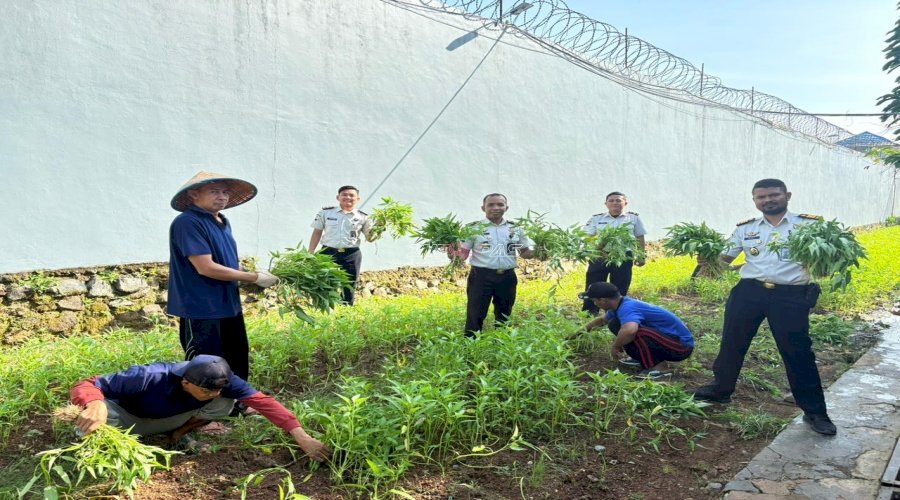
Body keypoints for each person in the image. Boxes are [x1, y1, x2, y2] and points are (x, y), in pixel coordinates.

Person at [690, 178, 836, 436]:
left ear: (787, 195)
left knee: (798, 351)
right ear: (755, 200)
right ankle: (721, 389)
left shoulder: (810, 226)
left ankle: (815, 411)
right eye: (762, 197)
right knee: (732, 343)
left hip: (790, 296)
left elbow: (827, 261)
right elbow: (725, 260)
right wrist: (707, 260)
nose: (768, 200)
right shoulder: (745, 229)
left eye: (774, 195)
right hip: (749, 293)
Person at [71, 355, 330, 459]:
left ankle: (177, 437)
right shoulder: (148, 376)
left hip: (171, 419)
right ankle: (111, 453)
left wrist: (302, 437)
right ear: (186, 381)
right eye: (206, 390)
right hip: (128, 420)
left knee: (228, 403)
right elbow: (88, 383)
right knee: (91, 419)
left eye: (217, 388)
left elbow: (264, 403)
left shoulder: (223, 383)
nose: (212, 394)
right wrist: (94, 403)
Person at [168, 171, 278, 414]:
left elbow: (227, 263)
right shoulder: (188, 222)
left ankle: (236, 405)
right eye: (214, 191)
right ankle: (202, 413)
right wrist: (252, 277)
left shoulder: (222, 222)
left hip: (228, 303)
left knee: (236, 355)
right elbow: (205, 267)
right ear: (194, 194)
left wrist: (250, 275)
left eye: (225, 192)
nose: (222, 197)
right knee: (205, 364)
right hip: (201, 306)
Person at [451, 193, 535, 337]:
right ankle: (471, 344)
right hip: (481, 277)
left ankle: (502, 342)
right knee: (475, 313)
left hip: (507, 277)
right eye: (491, 205)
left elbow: (524, 252)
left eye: (500, 204)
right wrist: (452, 252)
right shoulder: (472, 228)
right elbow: (461, 256)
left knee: (504, 313)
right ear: (483, 208)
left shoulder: (515, 229)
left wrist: (541, 251)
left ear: (506, 208)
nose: (496, 208)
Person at [580, 282, 694, 379]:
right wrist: (577, 334)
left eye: (595, 301)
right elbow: (601, 321)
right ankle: (641, 357)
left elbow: (630, 330)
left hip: (681, 347)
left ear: (603, 300)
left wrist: (616, 346)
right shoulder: (619, 305)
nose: (595, 304)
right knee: (615, 323)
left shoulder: (627, 307)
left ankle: (660, 367)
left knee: (636, 331)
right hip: (667, 341)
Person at [308, 186, 380, 305]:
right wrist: (310, 252)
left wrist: (379, 229)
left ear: (358, 199)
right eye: (344, 194)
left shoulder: (363, 217)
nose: (348, 197)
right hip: (328, 253)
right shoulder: (325, 213)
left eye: (352, 195)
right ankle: (323, 310)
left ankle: (345, 313)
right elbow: (317, 232)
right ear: (338, 197)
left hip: (351, 254)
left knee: (349, 285)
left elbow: (370, 238)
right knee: (324, 283)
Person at [581, 192, 647, 315]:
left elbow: (639, 236)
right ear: (606, 204)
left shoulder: (633, 218)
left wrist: (641, 255)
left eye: (618, 200)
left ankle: (617, 313)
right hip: (600, 256)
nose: (615, 203)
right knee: (593, 284)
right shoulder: (596, 218)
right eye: (611, 201)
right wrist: (594, 251)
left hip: (623, 256)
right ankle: (589, 312)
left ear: (625, 203)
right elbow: (587, 237)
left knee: (620, 285)